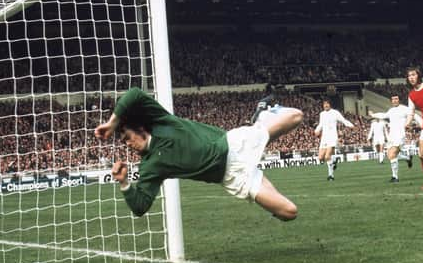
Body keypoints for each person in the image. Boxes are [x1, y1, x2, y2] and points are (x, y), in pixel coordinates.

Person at [94, 88, 303, 221]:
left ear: (140, 129)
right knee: (288, 212)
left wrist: (112, 123)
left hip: (232, 145)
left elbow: (134, 95)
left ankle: (262, 115)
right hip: (231, 177)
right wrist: (123, 183)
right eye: (123, 142)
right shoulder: (149, 166)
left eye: (127, 137)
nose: (127, 144)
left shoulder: (161, 121)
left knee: (296, 116)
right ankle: (260, 121)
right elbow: (140, 207)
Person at [372, 95, 417, 183]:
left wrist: (410, 123)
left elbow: (412, 115)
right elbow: (384, 115)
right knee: (390, 155)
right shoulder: (391, 110)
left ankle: (395, 177)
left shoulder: (404, 108)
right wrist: (373, 114)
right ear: (391, 101)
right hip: (392, 136)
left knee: (392, 154)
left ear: (399, 100)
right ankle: (407, 158)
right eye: (393, 99)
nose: (395, 100)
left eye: (396, 99)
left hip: (400, 135)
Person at [314, 98, 354, 181]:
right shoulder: (322, 114)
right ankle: (334, 159)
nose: (325, 105)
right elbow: (321, 124)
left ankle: (331, 176)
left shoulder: (335, 113)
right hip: (324, 137)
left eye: (327, 103)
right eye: (324, 104)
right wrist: (317, 130)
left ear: (330, 105)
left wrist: (351, 125)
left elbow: (343, 120)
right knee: (321, 157)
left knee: (327, 156)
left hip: (332, 137)